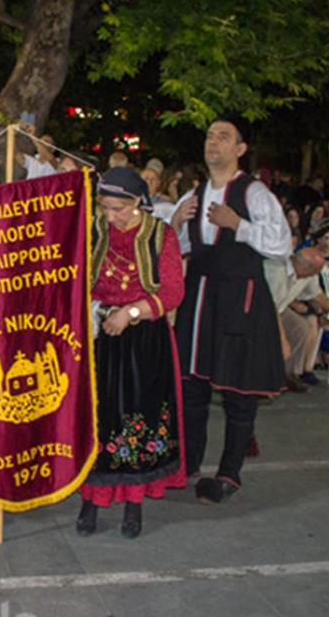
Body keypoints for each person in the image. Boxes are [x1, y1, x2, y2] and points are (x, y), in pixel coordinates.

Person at [171, 118, 290, 504]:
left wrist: (238, 224)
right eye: (209, 135)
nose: (213, 141)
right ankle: (186, 464)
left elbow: (281, 243)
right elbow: (168, 246)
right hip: (201, 298)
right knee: (193, 387)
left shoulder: (254, 193)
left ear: (240, 149)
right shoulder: (194, 194)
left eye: (223, 136)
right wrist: (174, 223)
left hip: (240, 299)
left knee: (239, 389)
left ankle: (229, 473)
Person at [76, 167, 185, 538]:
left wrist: (131, 311)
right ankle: (90, 499)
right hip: (98, 335)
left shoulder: (161, 234)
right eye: (105, 207)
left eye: (119, 208)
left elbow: (172, 292)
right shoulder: (93, 229)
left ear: (139, 202)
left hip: (142, 341)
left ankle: (134, 504)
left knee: (138, 416)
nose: (111, 216)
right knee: (97, 416)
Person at [268, 248, 329, 390]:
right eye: (316, 271)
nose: (316, 274)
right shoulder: (277, 271)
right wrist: (283, 339)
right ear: (306, 268)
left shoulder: (308, 274)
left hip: (280, 308)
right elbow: (270, 307)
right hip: (263, 310)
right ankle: (265, 378)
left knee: (302, 327)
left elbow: (316, 294)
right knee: (277, 334)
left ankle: (288, 374)